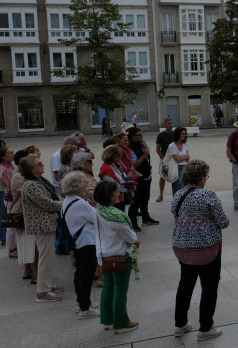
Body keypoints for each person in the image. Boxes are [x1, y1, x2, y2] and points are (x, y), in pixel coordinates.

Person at [171, 160, 230, 341]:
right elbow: (224, 222)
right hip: (207, 249)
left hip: (182, 248)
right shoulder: (208, 196)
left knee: (185, 284)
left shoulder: (178, 195)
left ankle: (180, 324)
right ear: (202, 177)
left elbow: (175, 214)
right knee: (209, 287)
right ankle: (205, 328)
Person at [94, 180, 140, 334]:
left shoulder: (98, 210)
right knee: (120, 290)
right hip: (119, 254)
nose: (118, 192)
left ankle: (108, 320)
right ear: (109, 195)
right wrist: (136, 240)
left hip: (103, 254)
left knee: (108, 288)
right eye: (115, 191)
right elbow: (129, 236)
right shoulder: (116, 216)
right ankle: (121, 323)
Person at [20, 154, 64, 302]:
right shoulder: (31, 185)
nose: (43, 164)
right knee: (46, 258)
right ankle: (42, 292)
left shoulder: (38, 180)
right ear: (32, 169)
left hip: (46, 224)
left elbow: (52, 199)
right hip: (41, 226)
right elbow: (47, 203)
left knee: (48, 257)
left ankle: (46, 285)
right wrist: (67, 204)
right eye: (39, 163)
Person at [61, 171, 100, 319]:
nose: (86, 186)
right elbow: (96, 218)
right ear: (77, 186)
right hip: (86, 242)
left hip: (78, 242)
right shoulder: (80, 203)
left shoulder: (68, 200)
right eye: (84, 183)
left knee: (80, 274)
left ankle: (82, 302)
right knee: (86, 275)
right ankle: (85, 308)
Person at [11, 149, 37, 282]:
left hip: (24, 212)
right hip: (22, 213)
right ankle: (32, 271)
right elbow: (27, 192)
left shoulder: (21, 174)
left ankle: (28, 270)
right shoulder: (18, 176)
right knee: (27, 243)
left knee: (28, 242)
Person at [128, 127, 158, 226]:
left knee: (145, 198)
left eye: (142, 134)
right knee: (137, 200)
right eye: (139, 135)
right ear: (132, 137)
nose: (141, 137)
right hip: (138, 177)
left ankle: (146, 217)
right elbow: (135, 164)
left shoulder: (142, 144)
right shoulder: (130, 148)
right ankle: (133, 222)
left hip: (147, 175)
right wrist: (145, 155)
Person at [0, 146, 18, 257]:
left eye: (13, 152)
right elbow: (9, 185)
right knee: (11, 225)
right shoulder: (3, 169)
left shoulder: (11, 165)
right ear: (3, 156)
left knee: (13, 224)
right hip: (10, 198)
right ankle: (11, 249)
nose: (13, 154)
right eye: (10, 153)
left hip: (13, 197)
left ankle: (14, 247)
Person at [155, 118, 175, 202]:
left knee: (175, 176)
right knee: (162, 177)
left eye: (171, 123)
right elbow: (158, 149)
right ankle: (161, 195)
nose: (170, 125)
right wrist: (163, 159)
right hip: (165, 159)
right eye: (168, 124)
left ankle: (176, 195)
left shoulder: (175, 134)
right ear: (165, 125)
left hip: (174, 159)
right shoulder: (160, 135)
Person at [168, 127, 190, 197]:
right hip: (176, 169)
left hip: (185, 168)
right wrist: (186, 157)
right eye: (183, 133)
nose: (184, 135)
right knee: (178, 189)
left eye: (185, 134)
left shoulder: (186, 144)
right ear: (178, 134)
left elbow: (188, 159)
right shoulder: (172, 145)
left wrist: (189, 168)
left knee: (186, 189)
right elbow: (177, 159)